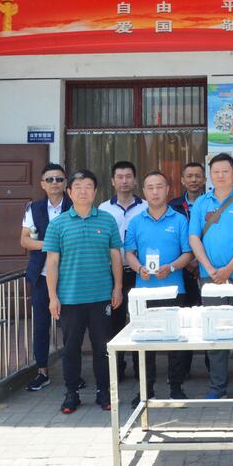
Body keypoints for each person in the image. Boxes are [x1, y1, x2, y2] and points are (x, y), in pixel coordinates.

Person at [43, 170, 123, 414]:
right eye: (77, 187)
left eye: (88, 186)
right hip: (70, 298)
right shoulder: (58, 224)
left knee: (102, 348)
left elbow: (115, 256)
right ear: (69, 192)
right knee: (71, 348)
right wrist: (53, 297)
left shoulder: (107, 220)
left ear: (96, 191)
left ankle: (104, 392)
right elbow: (52, 262)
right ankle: (71, 394)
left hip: (101, 297)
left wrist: (118, 287)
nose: (83, 191)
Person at [188, 153, 233, 401]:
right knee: (215, 334)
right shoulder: (201, 203)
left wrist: (229, 269)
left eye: (225, 171)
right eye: (216, 172)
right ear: (210, 175)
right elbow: (194, 238)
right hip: (209, 279)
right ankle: (217, 387)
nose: (220, 176)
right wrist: (209, 269)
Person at [125, 171, 194, 405]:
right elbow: (129, 253)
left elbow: (188, 253)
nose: (155, 192)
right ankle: (145, 390)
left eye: (159, 187)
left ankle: (176, 387)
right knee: (144, 343)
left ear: (168, 190)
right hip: (144, 292)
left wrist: (172, 267)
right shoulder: (136, 221)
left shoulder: (180, 220)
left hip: (175, 290)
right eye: (150, 187)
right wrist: (138, 268)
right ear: (144, 192)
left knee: (175, 341)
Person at [20, 163, 73, 392]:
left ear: (65, 182)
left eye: (59, 179)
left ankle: (73, 374)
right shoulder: (34, 208)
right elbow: (25, 240)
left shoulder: (75, 206)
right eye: (49, 179)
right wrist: (49, 244)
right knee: (41, 325)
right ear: (42, 184)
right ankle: (42, 371)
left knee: (72, 327)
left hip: (71, 276)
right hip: (42, 275)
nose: (54, 183)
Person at [97, 160, 147, 381]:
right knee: (114, 321)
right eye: (120, 177)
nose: (124, 181)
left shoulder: (146, 206)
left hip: (140, 272)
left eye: (128, 177)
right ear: (112, 181)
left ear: (135, 180)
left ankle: (140, 368)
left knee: (139, 320)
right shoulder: (103, 209)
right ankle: (116, 367)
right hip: (112, 273)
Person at [170, 162, 206, 307]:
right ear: (183, 180)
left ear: (204, 179)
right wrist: (187, 261)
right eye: (189, 176)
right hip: (181, 267)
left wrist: (199, 260)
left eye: (198, 176)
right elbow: (171, 237)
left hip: (207, 265)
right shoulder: (172, 206)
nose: (193, 180)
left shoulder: (212, 204)